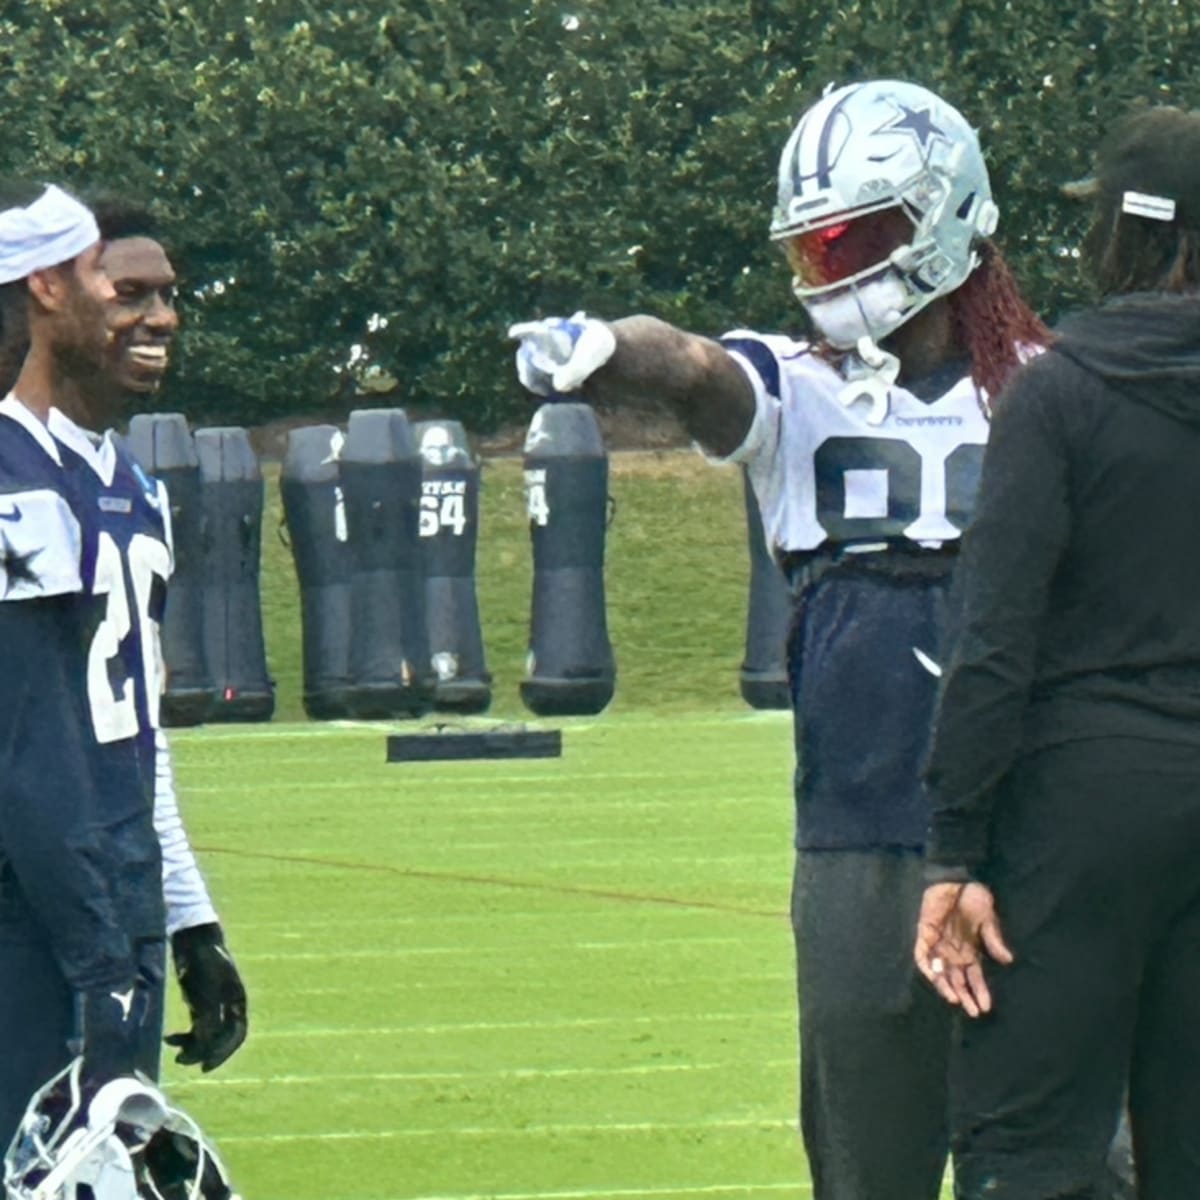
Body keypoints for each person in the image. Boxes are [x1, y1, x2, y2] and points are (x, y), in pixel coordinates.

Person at [510, 80, 1048, 1199]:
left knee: (1057, 1163)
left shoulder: (1047, 391)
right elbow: (696, 368)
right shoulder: (794, 385)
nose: (832, 272)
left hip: (1031, 832)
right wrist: (609, 345)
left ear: (943, 216)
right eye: (811, 250)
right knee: (868, 1168)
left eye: (854, 238)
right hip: (857, 832)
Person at [913, 104, 1200, 1200]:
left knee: (1026, 1149)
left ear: (1141, 237)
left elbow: (993, 642)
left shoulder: (1061, 395)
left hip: (1083, 811)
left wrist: (954, 854)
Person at [0, 182, 245, 1149]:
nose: (160, 315)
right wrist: (98, 956)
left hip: (117, 904)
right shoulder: (11, 483)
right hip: (33, 921)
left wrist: (189, 923)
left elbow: (134, 737)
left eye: (167, 293)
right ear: (50, 289)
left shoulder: (134, 488)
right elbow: (32, 754)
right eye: (127, 288)